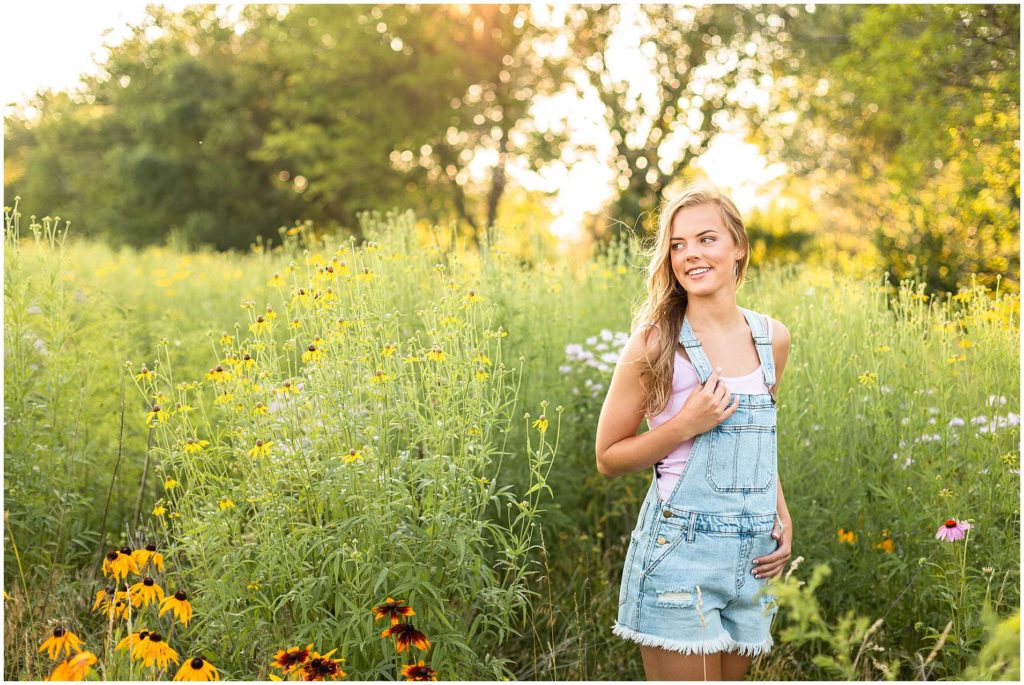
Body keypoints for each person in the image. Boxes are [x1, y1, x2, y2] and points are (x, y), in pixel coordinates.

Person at [595, 181, 793, 681]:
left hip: (754, 557)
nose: (691, 254)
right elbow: (608, 457)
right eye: (678, 244)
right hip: (680, 554)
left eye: (706, 239)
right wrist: (686, 424)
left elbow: (760, 442)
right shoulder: (655, 343)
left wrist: (781, 515)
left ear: (738, 247)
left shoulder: (773, 339)